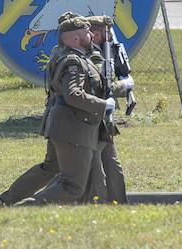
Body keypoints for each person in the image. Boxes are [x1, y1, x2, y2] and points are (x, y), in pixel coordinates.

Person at [22, 16, 114, 204]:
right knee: (73, 187)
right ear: (74, 39)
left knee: (52, 169)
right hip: (73, 129)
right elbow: (73, 94)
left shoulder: (73, 57)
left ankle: (8, 200)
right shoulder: (74, 62)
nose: (91, 35)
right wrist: (103, 105)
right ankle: (26, 207)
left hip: (65, 126)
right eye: (87, 32)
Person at [0, 12, 77, 205]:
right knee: (56, 166)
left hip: (57, 118)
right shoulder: (65, 56)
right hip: (63, 118)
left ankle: (13, 197)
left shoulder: (59, 52)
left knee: (55, 166)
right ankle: (17, 198)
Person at [86, 15, 134, 204]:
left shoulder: (107, 54)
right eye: (109, 34)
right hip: (89, 123)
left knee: (113, 168)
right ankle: (99, 208)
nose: (113, 38)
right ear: (97, 34)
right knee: (95, 173)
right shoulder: (90, 57)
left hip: (104, 124)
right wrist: (124, 86)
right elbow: (101, 88)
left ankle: (119, 207)